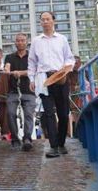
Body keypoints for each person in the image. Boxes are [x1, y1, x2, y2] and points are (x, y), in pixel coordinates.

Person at [27, 11, 75, 159]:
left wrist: (65, 69)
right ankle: (53, 146)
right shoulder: (36, 41)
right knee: (48, 113)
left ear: (53, 21)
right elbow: (32, 62)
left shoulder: (62, 39)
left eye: (48, 19)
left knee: (63, 112)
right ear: (40, 23)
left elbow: (69, 58)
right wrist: (32, 79)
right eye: (42, 20)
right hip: (44, 79)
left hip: (60, 77)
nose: (45, 22)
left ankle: (61, 143)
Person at [3, 34, 36, 151]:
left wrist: (20, 73)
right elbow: (7, 67)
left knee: (28, 113)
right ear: (15, 43)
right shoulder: (9, 57)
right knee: (10, 113)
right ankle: (15, 139)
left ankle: (27, 138)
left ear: (27, 43)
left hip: (29, 91)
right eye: (18, 41)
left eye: (23, 41)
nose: (20, 43)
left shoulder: (32, 57)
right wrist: (7, 70)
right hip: (13, 92)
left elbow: (34, 71)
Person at [67, 56, 82, 138]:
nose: (75, 65)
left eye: (76, 63)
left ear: (80, 64)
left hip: (81, 97)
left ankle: (77, 132)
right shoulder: (69, 73)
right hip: (72, 97)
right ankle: (73, 133)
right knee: (74, 115)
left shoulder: (84, 72)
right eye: (73, 63)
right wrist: (74, 88)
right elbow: (66, 86)